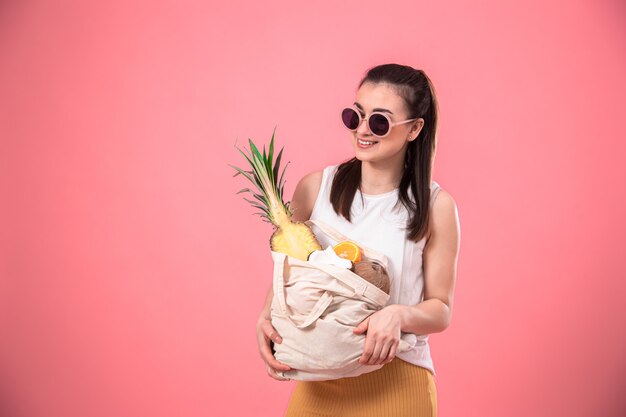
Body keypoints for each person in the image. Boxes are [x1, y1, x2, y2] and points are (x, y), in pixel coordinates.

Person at [255, 63, 461, 417]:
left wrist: (398, 315)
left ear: (414, 129)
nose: (362, 130)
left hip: (398, 379)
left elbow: (440, 309)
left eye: (379, 121)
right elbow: (291, 266)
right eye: (356, 115)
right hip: (320, 377)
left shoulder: (436, 207)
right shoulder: (315, 188)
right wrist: (266, 316)